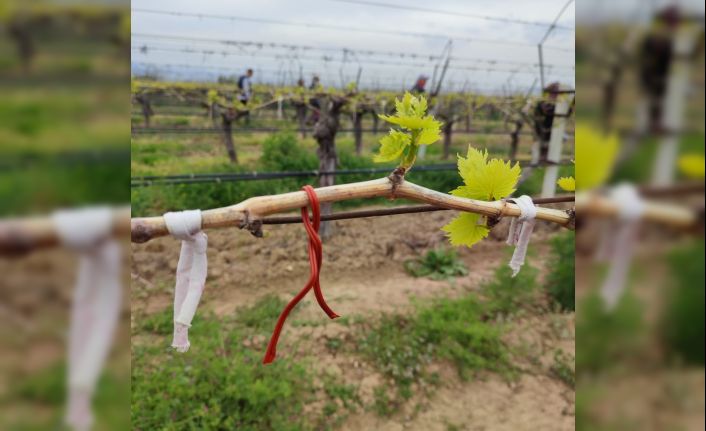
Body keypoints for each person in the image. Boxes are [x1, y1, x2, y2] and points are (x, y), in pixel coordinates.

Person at [532, 82, 560, 162]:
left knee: (550, 161)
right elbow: (546, 111)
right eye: (555, 92)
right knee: (536, 162)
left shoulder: (555, 104)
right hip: (541, 136)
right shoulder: (542, 103)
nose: (556, 95)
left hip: (551, 136)